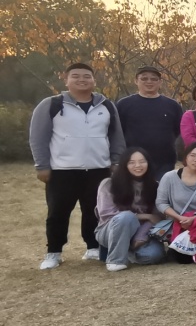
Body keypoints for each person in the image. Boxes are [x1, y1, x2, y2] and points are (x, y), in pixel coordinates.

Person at [30, 62, 126, 269]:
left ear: (94, 80)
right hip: (63, 170)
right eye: (75, 76)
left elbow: (116, 136)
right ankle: (53, 252)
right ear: (66, 80)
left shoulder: (106, 106)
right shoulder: (52, 104)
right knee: (58, 212)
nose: (81, 80)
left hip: (98, 168)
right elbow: (38, 137)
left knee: (94, 210)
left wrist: (116, 161)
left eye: (86, 76)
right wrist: (42, 165)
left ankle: (93, 247)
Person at [94, 147, 166, 270]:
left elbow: (157, 217)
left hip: (142, 231)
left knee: (154, 255)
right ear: (124, 165)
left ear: (148, 163)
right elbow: (107, 214)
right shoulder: (109, 184)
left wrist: (141, 235)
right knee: (126, 217)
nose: (138, 166)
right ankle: (115, 260)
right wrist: (145, 216)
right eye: (132, 162)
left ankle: (126, 251)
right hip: (111, 230)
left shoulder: (155, 186)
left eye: (142, 161)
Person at [157, 141, 196, 260]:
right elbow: (161, 203)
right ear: (185, 157)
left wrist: (193, 219)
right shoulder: (169, 177)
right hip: (177, 222)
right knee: (182, 260)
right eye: (193, 155)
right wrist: (180, 218)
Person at [116, 65, 183, 174]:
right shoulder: (124, 104)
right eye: (144, 78)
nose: (149, 81)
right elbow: (118, 133)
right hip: (133, 162)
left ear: (160, 82)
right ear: (136, 81)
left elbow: (178, 132)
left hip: (164, 162)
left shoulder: (172, 105)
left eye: (153, 79)